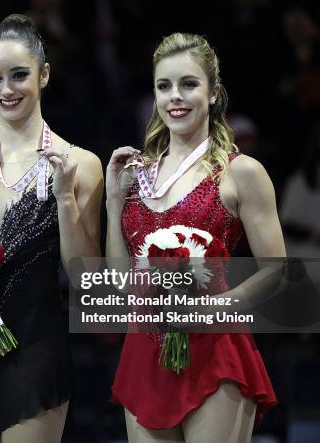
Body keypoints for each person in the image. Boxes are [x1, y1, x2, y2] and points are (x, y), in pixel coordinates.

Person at [0, 14, 103, 443]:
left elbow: (87, 276)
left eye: (19, 75)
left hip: (38, 346)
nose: (6, 90)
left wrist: (64, 197)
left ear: (44, 75)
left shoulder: (81, 163)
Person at [106, 33, 284, 443]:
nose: (175, 97)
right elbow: (119, 285)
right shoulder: (138, 175)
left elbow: (276, 271)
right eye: (164, 86)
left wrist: (212, 311)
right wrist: (114, 202)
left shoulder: (242, 172)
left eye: (188, 84)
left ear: (213, 92)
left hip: (215, 351)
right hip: (144, 354)